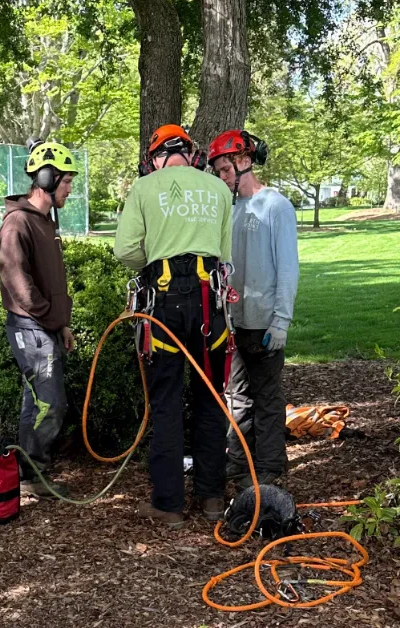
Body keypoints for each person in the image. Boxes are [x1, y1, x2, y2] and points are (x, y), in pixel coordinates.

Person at [113, 124, 233, 528]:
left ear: (155, 157)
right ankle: (213, 497)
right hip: (209, 304)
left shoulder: (145, 189)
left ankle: (169, 504)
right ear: (192, 154)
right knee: (211, 400)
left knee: (164, 402)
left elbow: (126, 250)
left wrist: (155, 257)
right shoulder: (217, 189)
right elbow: (225, 253)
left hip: (162, 304)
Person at [208, 129, 299, 488]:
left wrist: (281, 321)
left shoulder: (276, 205)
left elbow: (288, 267)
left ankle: (271, 467)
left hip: (265, 322)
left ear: (245, 161)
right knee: (238, 397)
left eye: (226, 170)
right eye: (218, 172)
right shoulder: (231, 210)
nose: (222, 177)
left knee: (268, 397)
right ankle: (239, 462)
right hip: (235, 320)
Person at [0, 139, 79, 498]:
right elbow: (18, 282)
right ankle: (34, 473)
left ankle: (28, 475)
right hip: (29, 329)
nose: (70, 188)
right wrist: (49, 318)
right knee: (51, 403)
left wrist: (61, 323)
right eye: (66, 181)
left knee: (37, 402)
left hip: (44, 327)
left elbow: (51, 280)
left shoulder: (45, 222)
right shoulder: (18, 223)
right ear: (46, 179)